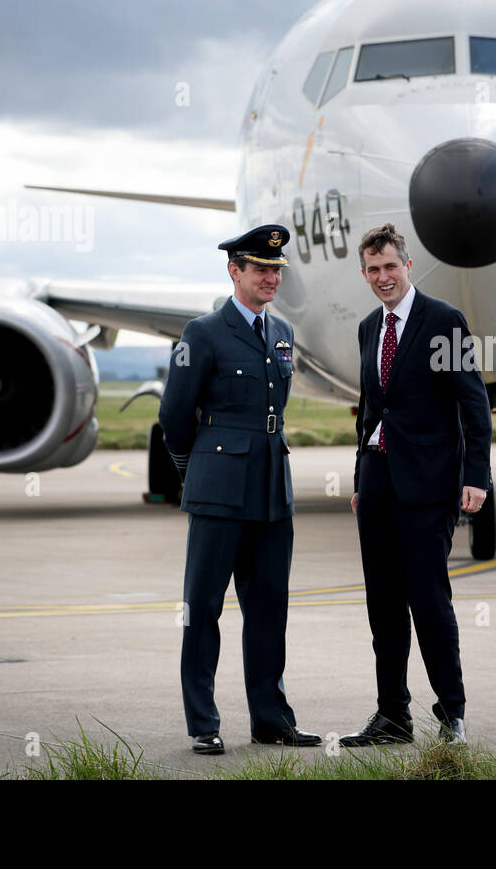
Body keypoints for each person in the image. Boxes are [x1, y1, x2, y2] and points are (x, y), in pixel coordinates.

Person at [158, 223, 320, 754]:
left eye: (276, 270)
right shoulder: (202, 332)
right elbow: (174, 415)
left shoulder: (282, 333)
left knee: (270, 607)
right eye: (261, 269)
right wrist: (197, 470)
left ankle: (271, 719)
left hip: (272, 486)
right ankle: (203, 723)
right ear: (235, 271)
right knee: (204, 607)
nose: (271, 278)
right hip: (219, 488)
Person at [340, 223, 493, 747]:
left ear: (409, 266)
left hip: (429, 486)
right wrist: (361, 479)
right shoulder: (367, 328)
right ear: (364, 274)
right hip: (378, 482)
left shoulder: (444, 320)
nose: (383, 277)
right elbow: (368, 413)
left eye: (390, 266)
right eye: (373, 269)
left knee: (429, 601)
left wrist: (476, 476)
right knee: (382, 605)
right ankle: (392, 716)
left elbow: (474, 404)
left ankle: (452, 714)